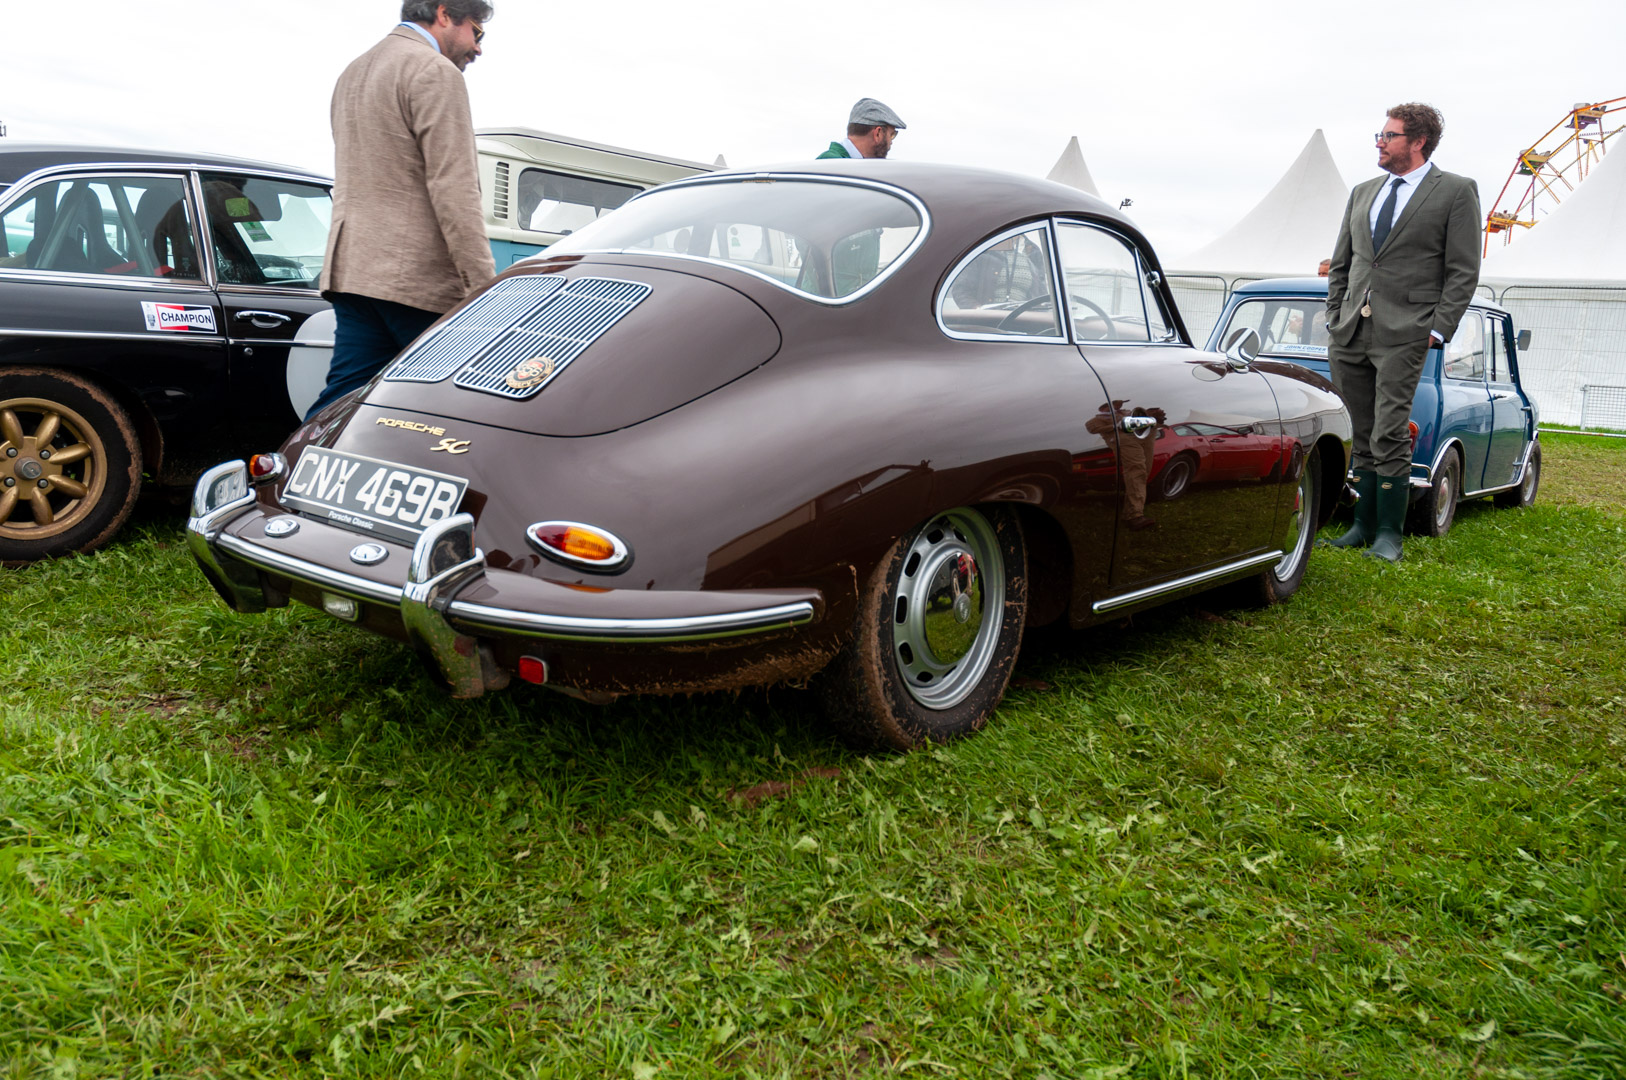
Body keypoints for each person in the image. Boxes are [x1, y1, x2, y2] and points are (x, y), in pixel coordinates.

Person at [307, 1, 499, 420]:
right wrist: (485, 291)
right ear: (445, 13)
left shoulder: (353, 72)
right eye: (476, 32)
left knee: (343, 404)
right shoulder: (434, 71)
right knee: (452, 412)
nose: (478, 48)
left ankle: (291, 476)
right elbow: (455, 191)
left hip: (354, 273)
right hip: (416, 283)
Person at [1322, 102, 1480, 562]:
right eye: (1380, 134)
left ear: (1418, 142)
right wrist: (1336, 313)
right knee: (1362, 430)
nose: (1379, 142)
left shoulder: (1454, 191)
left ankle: (1390, 534)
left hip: (1408, 332)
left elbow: (1463, 270)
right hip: (1350, 330)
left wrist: (1438, 330)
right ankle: (1361, 525)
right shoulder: (1362, 191)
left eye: (1388, 136)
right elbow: (1343, 263)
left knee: (1391, 431)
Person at [816, 98, 907, 160]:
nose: (891, 142)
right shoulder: (834, 164)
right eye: (892, 135)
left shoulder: (844, 164)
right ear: (878, 133)